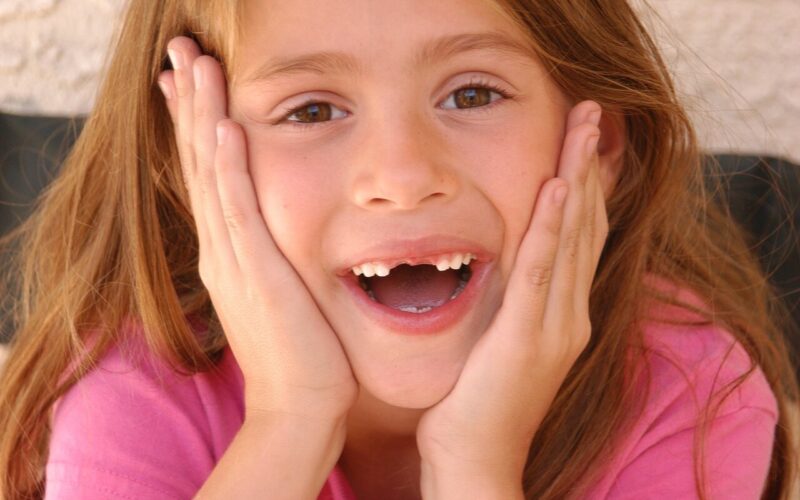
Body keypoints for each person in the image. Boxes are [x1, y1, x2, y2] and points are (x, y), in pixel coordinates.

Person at [0, 0, 797, 498]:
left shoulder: (691, 396)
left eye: (473, 93)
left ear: (598, 146)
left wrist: (474, 465)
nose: (404, 177)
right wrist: (288, 422)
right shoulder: (133, 391)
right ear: (194, 162)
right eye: (312, 111)